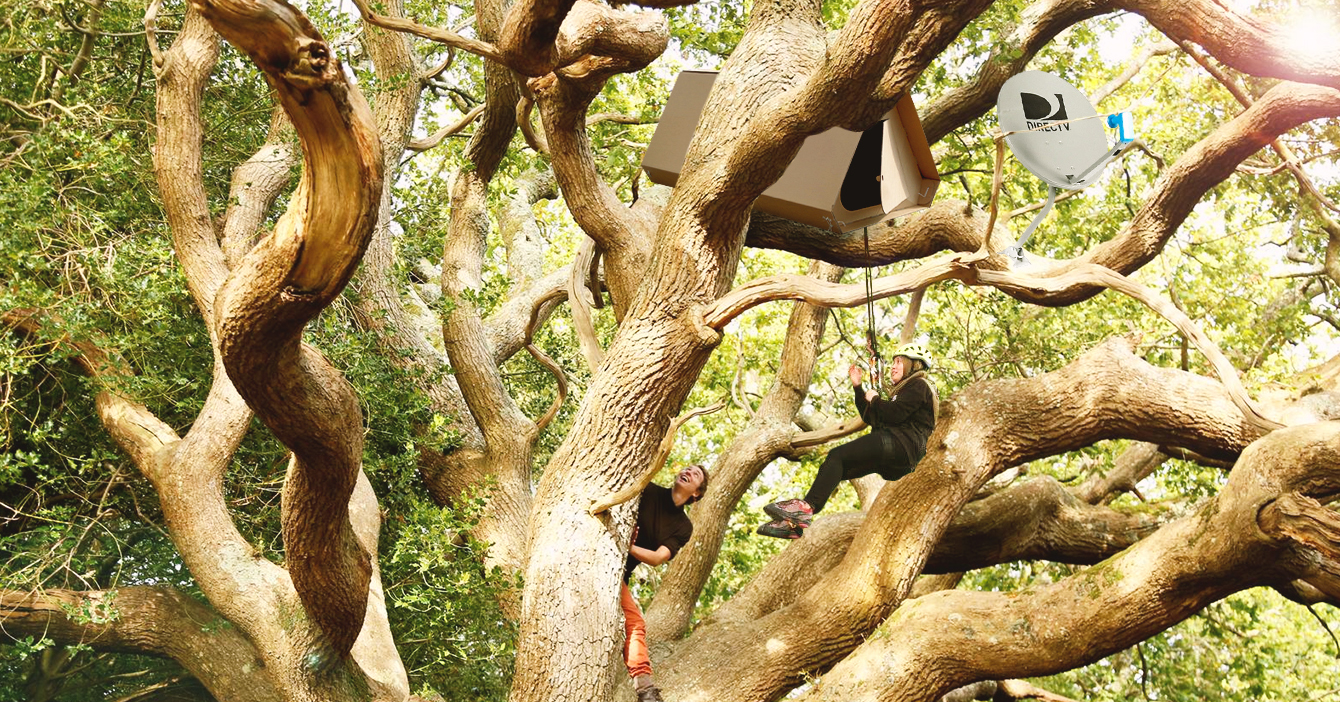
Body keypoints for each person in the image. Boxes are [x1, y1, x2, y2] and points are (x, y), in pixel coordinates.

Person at [757, 344, 937, 539]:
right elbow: (873, 418)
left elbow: (892, 414)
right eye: (893, 362)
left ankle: (804, 508)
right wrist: (858, 388)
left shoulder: (920, 385)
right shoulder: (903, 393)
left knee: (837, 455)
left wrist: (876, 399)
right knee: (838, 468)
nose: (893, 366)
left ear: (915, 365)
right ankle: (795, 523)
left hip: (900, 445)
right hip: (898, 456)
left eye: (899, 362)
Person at [622, 463, 709, 701]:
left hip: (618, 576)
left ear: (696, 493)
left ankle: (644, 691)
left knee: (634, 625)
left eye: (696, 474)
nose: (688, 471)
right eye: (687, 468)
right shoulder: (648, 490)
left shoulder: (683, 527)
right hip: (600, 555)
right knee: (636, 623)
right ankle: (645, 688)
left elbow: (658, 557)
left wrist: (628, 546)